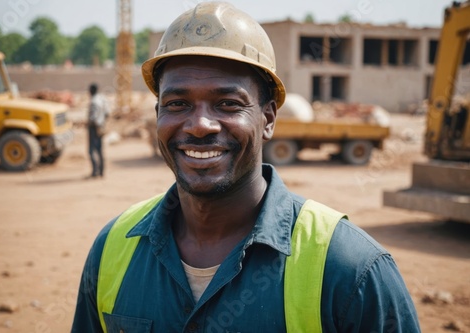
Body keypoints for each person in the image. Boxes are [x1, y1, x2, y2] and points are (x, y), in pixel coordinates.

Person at [72, 2, 420, 332]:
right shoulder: (112, 248)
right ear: (158, 115)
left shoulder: (351, 270)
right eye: (177, 104)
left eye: (227, 104)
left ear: (268, 119)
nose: (199, 125)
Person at [87, 83, 109, 178]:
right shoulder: (102, 100)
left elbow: (93, 118)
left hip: (94, 128)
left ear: (91, 91)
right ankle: (101, 171)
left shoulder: (94, 102)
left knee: (91, 150)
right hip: (101, 126)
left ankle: (95, 171)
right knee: (100, 150)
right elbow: (107, 113)